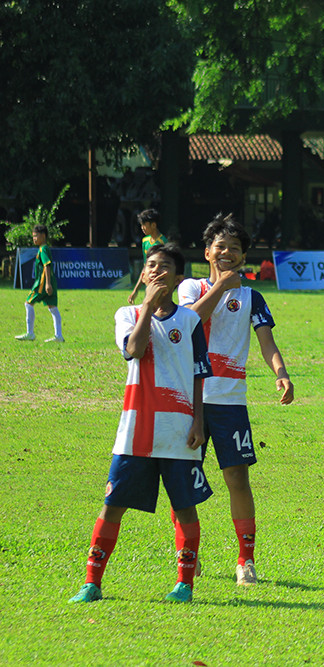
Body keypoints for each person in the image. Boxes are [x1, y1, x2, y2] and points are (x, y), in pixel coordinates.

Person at [69, 243, 213, 604]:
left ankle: (184, 585)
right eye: (151, 266)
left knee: (184, 506)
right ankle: (92, 583)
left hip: (178, 430)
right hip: (135, 430)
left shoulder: (190, 321)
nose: (156, 271)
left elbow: (199, 374)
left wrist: (199, 420)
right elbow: (134, 350)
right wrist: (147, 306)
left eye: (165, 267)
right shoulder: (127, 313)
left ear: (178, 278)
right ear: (143, 274)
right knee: (112, 504)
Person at [178, 213, 294, 586]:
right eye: (220, 246)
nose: (226, 252)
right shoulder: (191, 288)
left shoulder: (251, 297)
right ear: (207, 252)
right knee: (184, 479)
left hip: (230, 402)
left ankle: (246, 560)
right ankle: (188, 554)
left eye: (234, 248)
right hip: (189, 399)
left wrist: (281, 373)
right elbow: (189, 322)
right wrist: (221, 286)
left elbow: (267, 342)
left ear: (243, 256)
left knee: (237, 477)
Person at [15, 225, 64, 343]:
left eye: (36, 236)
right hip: (50, 281)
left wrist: (47, 284)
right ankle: (59, 336)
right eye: (33, 236)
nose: (34, 239)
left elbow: (47, 265)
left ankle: (30, 333)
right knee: (53, 307)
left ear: (43, 236)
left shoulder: (43, 249)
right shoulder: (44, 248)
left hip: (43, 282)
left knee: (28, 303)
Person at [128, 209, 166, 305]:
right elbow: (145, 267)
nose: (142, 228)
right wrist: (136, 290)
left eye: (144, 225)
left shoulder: (162, 242)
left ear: (153, 225)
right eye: (141, 225)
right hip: (148, 284)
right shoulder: (145, 241)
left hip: (160, 285)